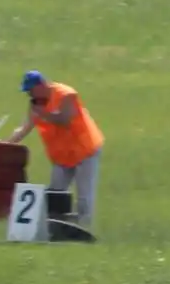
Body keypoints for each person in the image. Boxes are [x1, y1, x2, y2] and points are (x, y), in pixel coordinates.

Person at [7, 70, 103, 227]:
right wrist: (7, 143)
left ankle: (84, 228)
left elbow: (65, 119)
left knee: (84, 196)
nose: (29, 95)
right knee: (55, 192)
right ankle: (55, 226)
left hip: (84, 151)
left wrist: (44, 114)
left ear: (41, 85)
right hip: (62, 156)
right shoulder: (35, 104)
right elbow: (25, 127)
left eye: (31, 90)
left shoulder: (66, 95)